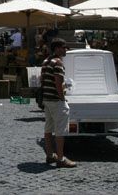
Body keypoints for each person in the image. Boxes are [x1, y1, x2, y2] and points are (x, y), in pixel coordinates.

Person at [41, 38, 76, 168]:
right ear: (57, 49)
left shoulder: (46, 61)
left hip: (47, 99)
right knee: (60, 130)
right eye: (63, 47)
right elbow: (58, 83)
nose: (65, 50)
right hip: (56, 100)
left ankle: (50, 155)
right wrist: (62, 98)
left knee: (48, 128)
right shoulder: (58, 63)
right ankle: (61, 158)